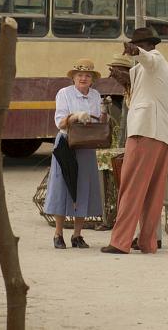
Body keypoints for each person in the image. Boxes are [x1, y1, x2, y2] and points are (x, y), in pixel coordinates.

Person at [101, 27, 168, 255]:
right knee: (152, 192)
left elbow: (148, 59)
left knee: (130, 186)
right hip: (160, 133)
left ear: (145, 45)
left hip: (145, 129)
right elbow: (133, 82)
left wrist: (136, 51)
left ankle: (120, 241)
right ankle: (147, 242)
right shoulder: (146, 70)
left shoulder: (155, 60)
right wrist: (119, 75)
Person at [44, 58, 104, 249]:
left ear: (92, 79)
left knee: (84, 187)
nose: (83, 78)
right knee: (63, 186)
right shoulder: (64, 93)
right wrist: (75, 117)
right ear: (74, 78)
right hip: (66, 144)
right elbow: (60, 122)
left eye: (88, 75)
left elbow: (98, 120)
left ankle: (77, 235)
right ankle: (58, 234)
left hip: (86, 145)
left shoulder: (96, 95)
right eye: (80, 75)